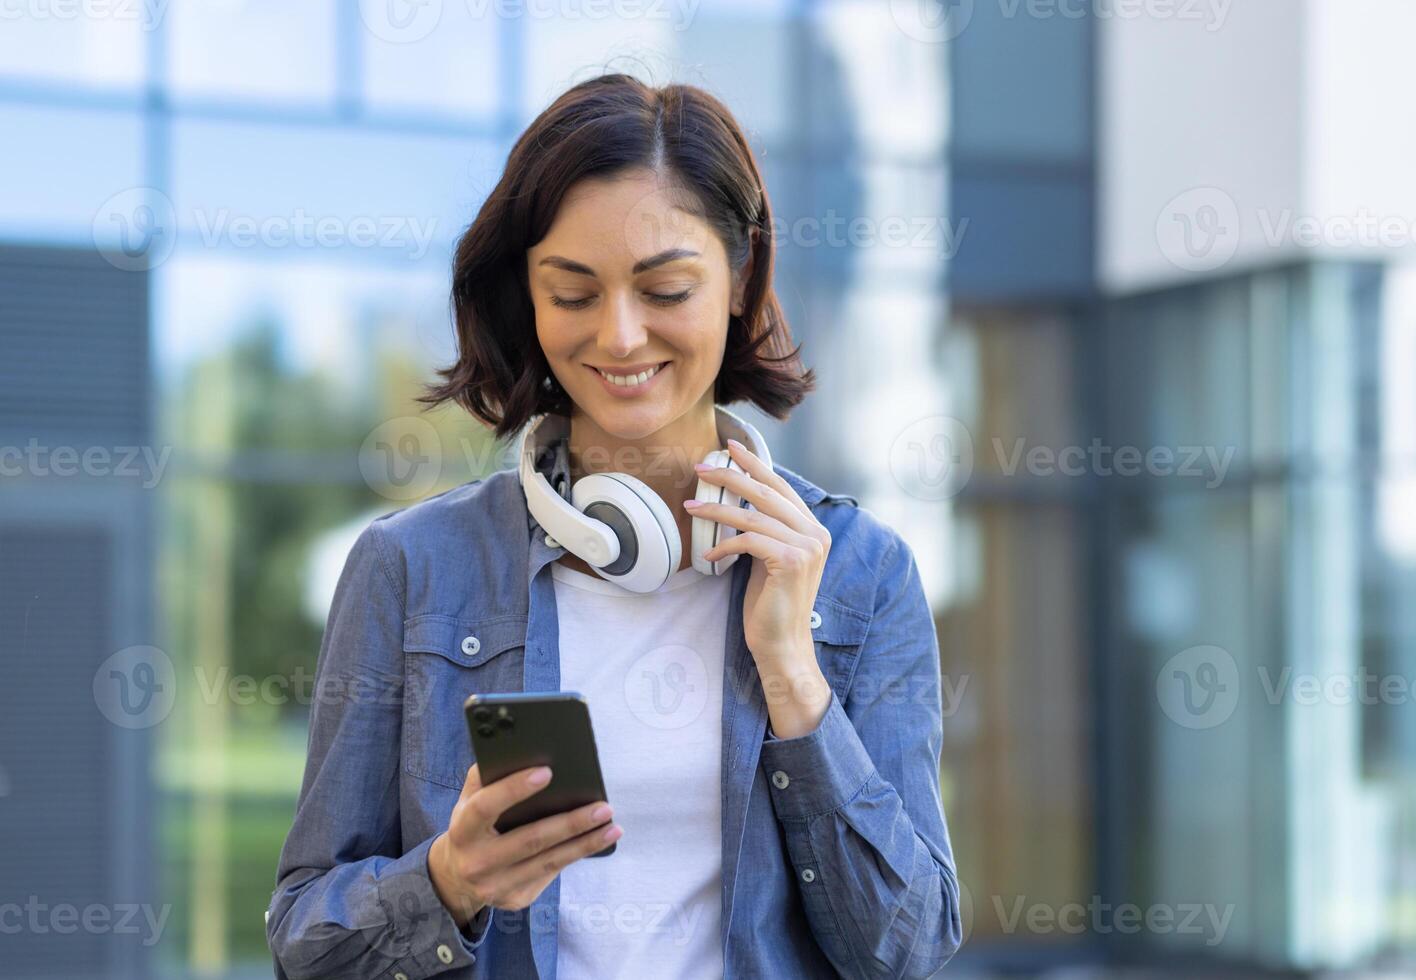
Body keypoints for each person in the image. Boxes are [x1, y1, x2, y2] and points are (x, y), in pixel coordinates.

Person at [266, 71, 963, 979]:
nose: (621, 336)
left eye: (665, 289)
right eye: (574, 292)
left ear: (740, 278)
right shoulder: (412, 570)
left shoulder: (861, 576)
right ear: (527, 293)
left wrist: (794, 680)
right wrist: (449, 879)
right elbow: (304, 941)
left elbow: (905, 949)